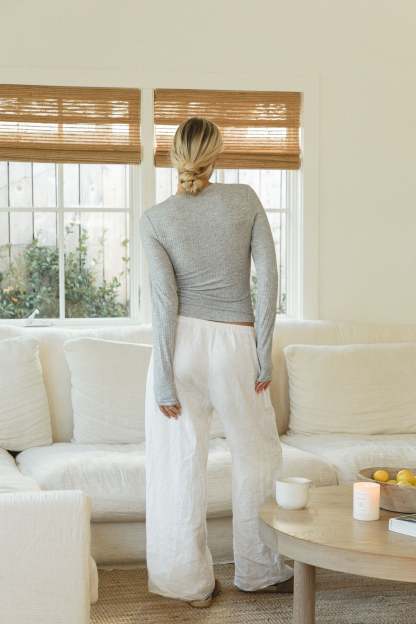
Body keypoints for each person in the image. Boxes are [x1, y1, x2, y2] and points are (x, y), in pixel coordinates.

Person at [139, 116, 293, 608]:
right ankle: (260, 571)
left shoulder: (155, 219)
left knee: (178, 463)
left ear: (174, 156)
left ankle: (187, 584)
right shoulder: (244, 199)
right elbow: (269, 278)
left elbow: (164, 303)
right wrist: (262, 350)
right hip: (236, 344)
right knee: (256, 455)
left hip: (180, 346)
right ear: (217, 152)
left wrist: (165, 378)